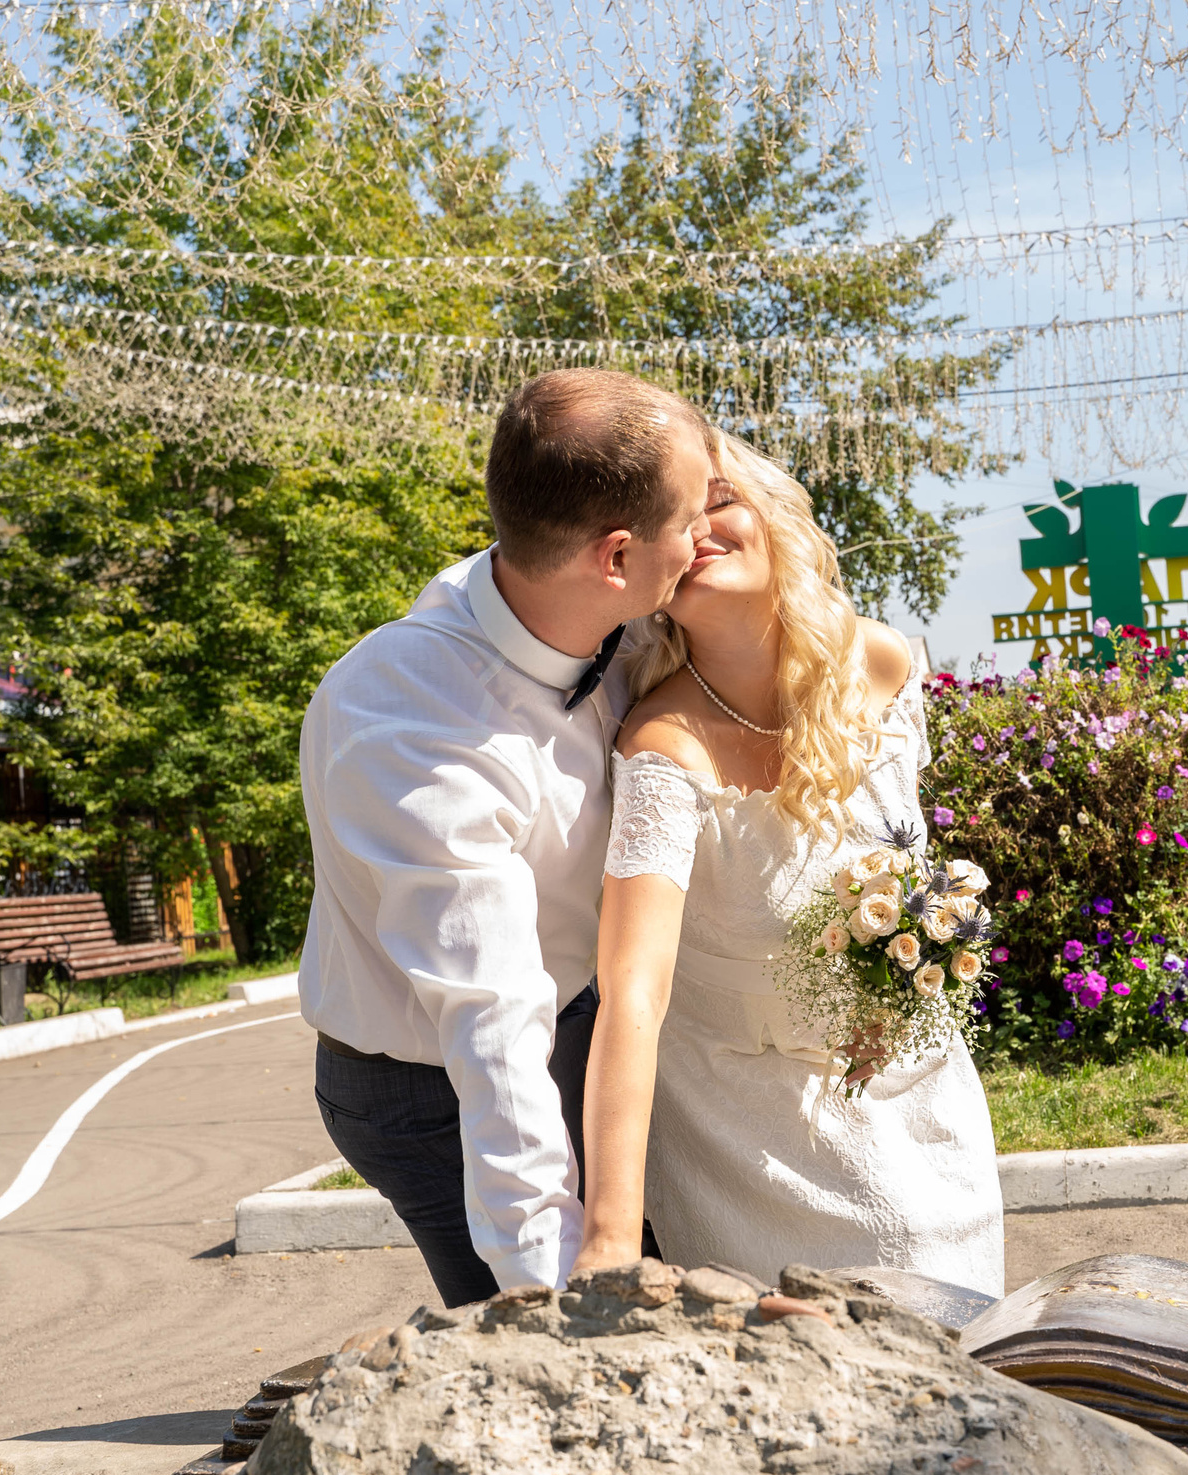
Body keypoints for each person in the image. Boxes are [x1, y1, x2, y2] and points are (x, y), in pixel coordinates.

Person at [295, 369, 713, 1305]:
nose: (705, 539)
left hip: (573, 1019)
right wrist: (564, 1306)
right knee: (535, 1317)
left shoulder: (592, 607)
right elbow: (490, 1028)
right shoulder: (410, 727)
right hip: (423, 1084)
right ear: (615, 559)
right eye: (690, 520)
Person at [573, 431, 1006, 1294]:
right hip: (750, 1137)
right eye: (673, 519)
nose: (698, 531)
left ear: (777, 518)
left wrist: (903, 976)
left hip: (918, 1102)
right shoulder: (663, 746)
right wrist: (611, 1236)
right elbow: (633, 987)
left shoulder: (879, 661)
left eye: (720, 502)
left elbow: (904, 863)